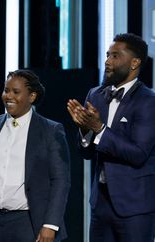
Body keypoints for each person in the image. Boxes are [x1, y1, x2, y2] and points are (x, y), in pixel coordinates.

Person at [0, 69, 71, 242]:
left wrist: (50, 224)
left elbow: (60, 180)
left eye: (16, 92)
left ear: (32, 96)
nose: (8, 96)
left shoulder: (50, 130)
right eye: (6, 90)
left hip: (26, 223)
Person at [67, 33, 155, 242]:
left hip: (135, 207)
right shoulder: (95, 95)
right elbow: (86, 152)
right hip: (100, 204)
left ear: (134, 63)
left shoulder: (148, 101)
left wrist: (98, 128)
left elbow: (138, 154)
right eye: (107, 55)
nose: (107, 61)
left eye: (115, 56)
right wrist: (83, 130)